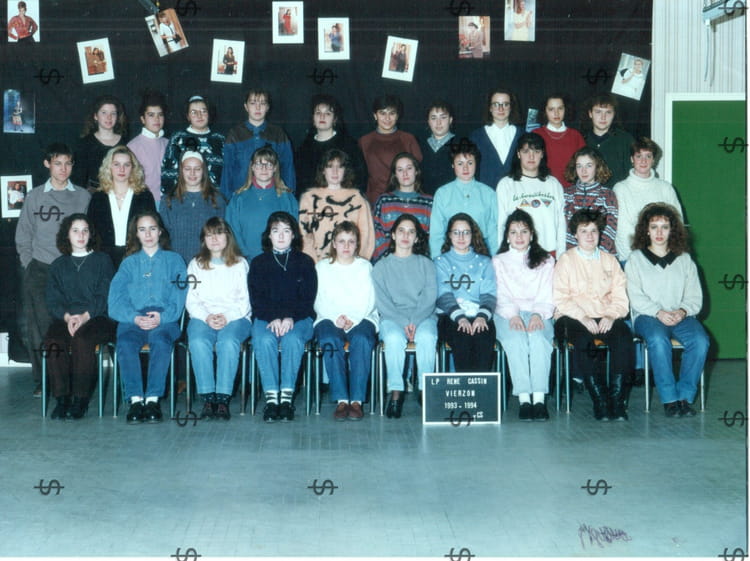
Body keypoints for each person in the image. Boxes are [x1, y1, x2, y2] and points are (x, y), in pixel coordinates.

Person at [15, 143, 92, 397]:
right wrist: (29, 264)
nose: (63, 169)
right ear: (47, 164)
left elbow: (89, 234)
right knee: (39, 327)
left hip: (72, 269)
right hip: (40, 269)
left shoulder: (83, 196)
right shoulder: (35, 196)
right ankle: (44, 379)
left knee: (71, 324)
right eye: (58, 163)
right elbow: (23, 235)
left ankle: (70, 378)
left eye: (68, 163)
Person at [625, 203, 709, 417]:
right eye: (654, 227)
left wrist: (682, 311)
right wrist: (658, 312)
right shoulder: (635, 259)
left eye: (665, 227)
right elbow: (635, 297)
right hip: (648, 317)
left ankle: (684, 397)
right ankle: (670, 399)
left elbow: (694, 297)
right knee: (658, 340)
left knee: (700, 341)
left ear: (673, 230)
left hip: (680, 315)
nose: (659, 232)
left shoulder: (685, 259)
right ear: (646, 230)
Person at [553, 208, 633, 421]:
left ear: (600, 233)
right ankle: (600, 400)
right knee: (584, 342)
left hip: (604, 315)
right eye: (583, 231)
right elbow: (560, 297)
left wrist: (611, 315)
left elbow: (620, 298)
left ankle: (617, 401)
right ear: (575, 234)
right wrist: (583, 317)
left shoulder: (610, 261)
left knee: (624, 337)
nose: (589, 236)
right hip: (572, 317)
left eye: (594, 231)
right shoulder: (566, 260)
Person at [108, 211, 186, 424]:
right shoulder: (128, 264)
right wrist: (134, 317)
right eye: (142, 230)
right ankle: (135, 400)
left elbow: (179, 297)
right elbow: (115, 302)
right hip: (133, 320)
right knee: (125, 343)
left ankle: (152, 400)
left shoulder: (174, 260)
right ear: (136, 234)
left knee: (160, 341)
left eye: (152, 228)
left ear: (160, 231)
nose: (148, 234)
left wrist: (163, 317)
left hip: (165, 320)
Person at [44, 214, 116, 419]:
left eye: (85, 230)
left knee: (82, 340)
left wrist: (84, 317)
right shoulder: (58, 264)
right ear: (67, 235)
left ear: (91, 234)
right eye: (75, 230)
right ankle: (62, 399)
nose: (81, 235)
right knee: (53, 341)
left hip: (97, 317)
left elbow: (105, 294)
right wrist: (67, 317)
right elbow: (52, 299)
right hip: (66, 318)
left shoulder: (102, 260)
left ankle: (80, 399)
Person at [249, 212, 317, 422]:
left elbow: (308, 298)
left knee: (292, 339)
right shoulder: (258, 263)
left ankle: (286, 400)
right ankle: (272, 400)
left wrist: (289, 317)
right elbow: (256, 299)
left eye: (286, 231)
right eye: (276, 230)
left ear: (293, 235)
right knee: (264, 339)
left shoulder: (305, 262)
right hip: (266, 318)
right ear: (268, 235)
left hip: (299, 318)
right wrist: (273, 317)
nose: (280, 236)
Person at [186, 217, 251, 421]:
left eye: (219, 233)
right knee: (198, 341)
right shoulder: (196, 264)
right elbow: (191, 300)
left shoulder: (240, 264)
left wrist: (227, 317)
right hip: (203, 316)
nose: (214, 239)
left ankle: (222, 398)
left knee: (228, 341)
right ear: (203, 239)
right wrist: (206, 317)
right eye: (209, 234)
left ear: (228, 236)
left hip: (236, 317)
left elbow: (245, 301)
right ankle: (208, 397)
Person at [372, 214, 437, 418]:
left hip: (423, 316)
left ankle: (425, 389)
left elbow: (430, 297)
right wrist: (403, 322)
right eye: (401, 231)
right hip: (392, 317)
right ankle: (396, 391)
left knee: (427, 337)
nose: (405, 236)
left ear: (417, 238)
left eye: (411, 232)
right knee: (393, 338)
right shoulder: (381, 266)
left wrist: (414, 321)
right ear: (393, 235)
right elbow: (382, 301)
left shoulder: (426, 264)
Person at [492, 210, 554, 421]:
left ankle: (539, 400)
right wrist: (512, 315)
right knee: (516, 340)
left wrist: (538, 314)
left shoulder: (546, 260)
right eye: (513, 232)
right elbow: (499, 293)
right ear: (507, 236)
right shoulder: (498, 261)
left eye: (524, 231)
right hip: (506, 313)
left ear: (532, 235)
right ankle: (524, 399)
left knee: (538, 339)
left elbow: (547, 292)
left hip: (539, 311)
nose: (519, 237)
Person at [314, 221, 378, 421]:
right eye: (341, 241)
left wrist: (353, 319)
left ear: (357, 244)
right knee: (329, 340)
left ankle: (357, 401)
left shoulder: (365, 267)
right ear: (334, 243)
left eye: (351, 241)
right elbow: (318, 299)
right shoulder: (322, 267)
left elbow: (369, 299)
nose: (346, 246)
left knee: (362, 340)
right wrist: (336, 318)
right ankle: (342, 399)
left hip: (362, 317)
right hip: (329, 317)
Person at [435, 213, 497, 372]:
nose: (461, 237)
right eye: (456, 232)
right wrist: (460, 318)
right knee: (462, 337)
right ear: (449, 235)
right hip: (450, 316)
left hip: (479, 314)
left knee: (483, 337)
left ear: (472, 234)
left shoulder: (484, 262)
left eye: (466, 232)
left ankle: (480, 385)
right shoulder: (441, 262)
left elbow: (489, 294)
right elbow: (443, 295)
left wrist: (482, 317)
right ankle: (465, 386)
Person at [496, 132, 567, 258]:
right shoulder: (506, 184)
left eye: (536, 151)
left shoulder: (553, 184)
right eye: (526, 151)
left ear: (542, 154)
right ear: (518, 154)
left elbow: (561, 224)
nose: (531, 156)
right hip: (517, 255)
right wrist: (503, 256)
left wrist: (561, 255)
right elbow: (501, 225)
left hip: (548, 253)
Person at [613, 137, 683, 262]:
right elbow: (623, 232)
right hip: (633, 259)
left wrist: (667, 256)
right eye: (639, 156)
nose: (643, 161)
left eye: (648, 156)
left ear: (653, 160)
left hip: (665, 257)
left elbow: (677, 224)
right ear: (632, 159)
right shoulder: (621, 189)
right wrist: (639, 260)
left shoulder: (666, 188)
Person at [87, 146, 156, 269]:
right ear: (109, 167)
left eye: (126, 165)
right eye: (116, 164)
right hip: (104, 261)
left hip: (137, 258)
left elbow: (152, 230)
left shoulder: (144, 196)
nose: (122, 169)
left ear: (133, 168)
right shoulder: (98, 197)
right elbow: (91, 233)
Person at [298, 149, 373, 263]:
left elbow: (366, 236)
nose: (335, 171)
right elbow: (304, 236)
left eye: (340, 167)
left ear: (345, 170)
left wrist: (357, 263)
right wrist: (313, 264)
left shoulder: (358, 199)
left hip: (351, 264)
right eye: (330, 166)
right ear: (323, 170)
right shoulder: (308, 198)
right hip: (317, 264)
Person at [225, 146, 298, 262]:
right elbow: (231, 229)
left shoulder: (287, 198)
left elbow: (294, 230)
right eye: (259, 164)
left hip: (279, 259)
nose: (264, 168)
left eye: (269, 164)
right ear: (252, 167)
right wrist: (244, 255)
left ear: (275, 168)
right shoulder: (238, 199)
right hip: (246, 260)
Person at [222, 88, 296, 199]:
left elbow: (288, 168)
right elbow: (227, 171)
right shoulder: (234, 134)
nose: (258, 108)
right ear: (246, 106)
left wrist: (289, 198)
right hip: (242, 196)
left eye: (262, 103)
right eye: (253, 103)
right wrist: (227, 200)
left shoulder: (278, 134)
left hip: (272, 196)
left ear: (268, 107)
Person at [430, 139, 498, 257]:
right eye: (460, 163)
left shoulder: (489, 193)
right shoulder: (442, 194)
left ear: (476, 163)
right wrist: (438, 260)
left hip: (481, 253)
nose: (465, 168)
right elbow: (436, 234)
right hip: (450, 254)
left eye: (470, 163)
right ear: (453, 165)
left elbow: (494, 232)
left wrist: (495, 260)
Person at [159, 151, 226, 264]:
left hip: (207, 265)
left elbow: (223, 237)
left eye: (197, 169)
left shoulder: (217, 200)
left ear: (204, 171)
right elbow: (162, 239)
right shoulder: (168, 201)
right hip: (176, 265)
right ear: (181, 171)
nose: (192, 173)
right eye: (187, 169)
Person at [295, 94, 366, 197]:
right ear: (313, 118)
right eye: (318, 113)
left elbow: (360, 179)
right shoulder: (304, 149)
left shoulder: (349, 145)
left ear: (335, 119)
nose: (322, 117)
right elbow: (300, 184)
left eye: (327, 113)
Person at [359, 94, 422, 205]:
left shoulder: (408, 139)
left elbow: (417, 174)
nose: (387, 118)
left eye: (392, 113)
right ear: (375, 115)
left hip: (404, 199)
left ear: (397, 116)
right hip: (374, 200)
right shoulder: (364, 141)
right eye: (382, 113)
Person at [372, 152, 433, 262]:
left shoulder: (428, 203)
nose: (405, 173)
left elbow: (432, 238)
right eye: (400, 170)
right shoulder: (384, 201)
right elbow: (376, 235)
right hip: (388, 263)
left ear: (416, 171)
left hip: (419, 264)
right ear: (395, 175)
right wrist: (388, 260)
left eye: (409, 168)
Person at [161, 95, 225, 196]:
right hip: (183, 198)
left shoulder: (220, 139)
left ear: (209, 114)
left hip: (214, 198)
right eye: (194, 112)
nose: (199, 115)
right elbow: (168, 173)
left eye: (203, 111)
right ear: (188, 116)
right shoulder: (178, 138)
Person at [562, 147, 618, 255]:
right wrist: (575, 255)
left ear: (597, 167)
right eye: (579, 166)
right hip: (573, 256)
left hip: (602, 255)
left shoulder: (607, 195)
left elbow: (610, 230)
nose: (583, 171)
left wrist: (596, 255)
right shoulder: (566, 194)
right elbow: (564, 229)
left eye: (589, 165)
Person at [469, 88, 524, 189]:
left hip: (516, 193)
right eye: (496, 104)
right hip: (485, 194)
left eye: (505, 104)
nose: (501, 109)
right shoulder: (476, 137)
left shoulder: (523, 135)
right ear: (490, 108)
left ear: (511, 107)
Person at [72, 95, 128, 191]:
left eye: (113, 113)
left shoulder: (126, 143)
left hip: (121, 193)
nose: (109, 117)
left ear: (118, 117)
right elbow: (79, 181)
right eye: (104, 113)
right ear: (95, 116)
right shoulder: (85, 144)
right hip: (94, 195)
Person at [532, 94, 586, 187]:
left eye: (560, 108)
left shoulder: (576, 135)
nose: (556, 113)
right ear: (545, 111)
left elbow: (584, 165)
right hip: (543, 187)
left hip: (571, 189)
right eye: (551, 109)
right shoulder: (536, 134)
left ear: (566, 109)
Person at [582, 94, 635, 186]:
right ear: (590, 113)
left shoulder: (626, 140)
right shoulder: (581, 140)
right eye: (598, 112)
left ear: (614, 114)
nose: (603, 117)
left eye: (608, 112)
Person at [127, 91, 168, 202]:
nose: (156, 119)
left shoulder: (169, 144)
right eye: (151, 115)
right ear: (142, 119)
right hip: (145, 202)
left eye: (160, 115)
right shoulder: (132, 147)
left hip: (168, 202)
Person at [418, 100, 456, 196]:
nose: (438, 122)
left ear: (450, 120)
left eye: (443, 117)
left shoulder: (461, 145)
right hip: (425, 200)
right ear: (428, 121)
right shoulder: (419, 146)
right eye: (433, 118)